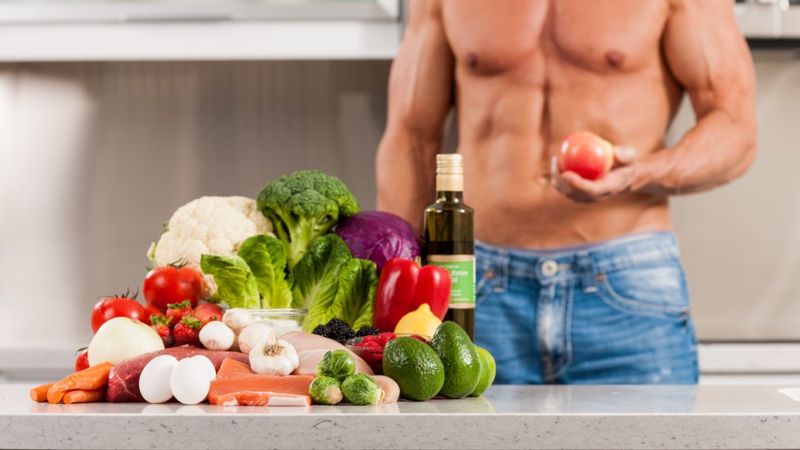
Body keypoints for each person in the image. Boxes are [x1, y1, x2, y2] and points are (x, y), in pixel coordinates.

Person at [375, 0, 756, 384]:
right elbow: (411, 139)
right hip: (474, 282)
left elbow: (735, 128)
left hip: (626, 282)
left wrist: (638, 174)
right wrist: (395, 288)